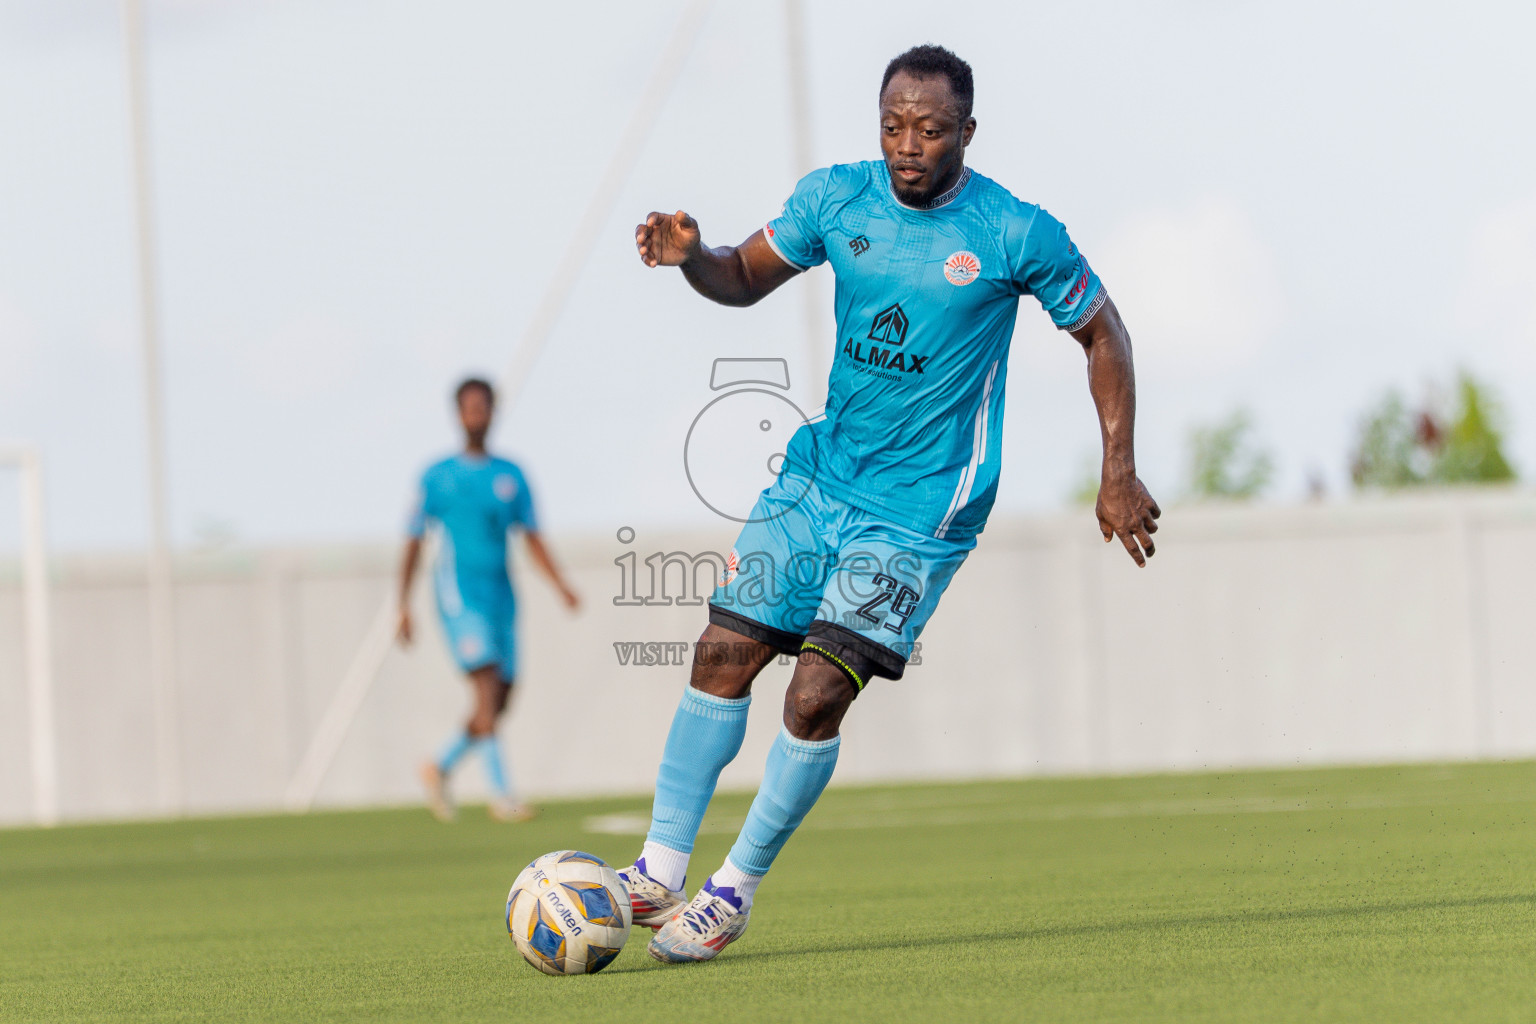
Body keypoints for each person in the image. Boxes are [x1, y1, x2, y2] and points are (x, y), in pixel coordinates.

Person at [621, 44, 1160, 962]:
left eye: (932, 129)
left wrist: (1118, 470)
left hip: (922, 510)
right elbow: (744, 276)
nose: (909, 145)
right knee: (723, 653)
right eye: (894, 126)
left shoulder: (1016, 231)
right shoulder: (836, 198)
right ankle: (657, 869)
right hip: (818, 478)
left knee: (816, 694)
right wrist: (690, 258)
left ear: (967, 133)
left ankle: (732, 890)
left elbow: (1102, 332)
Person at [396, 377, 579, 823]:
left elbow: (531, 535)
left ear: (494, 411)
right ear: (457, 414)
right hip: (459, 593)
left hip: (502, 595)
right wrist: (402, 603)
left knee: (501, 698)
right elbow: (414, 540)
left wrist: (559, 584)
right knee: (486, 687)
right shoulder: (437, 475)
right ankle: (503, 795)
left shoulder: (510, 475)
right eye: (469, 406)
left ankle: (438, 765)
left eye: (484, 406)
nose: (477, 414)